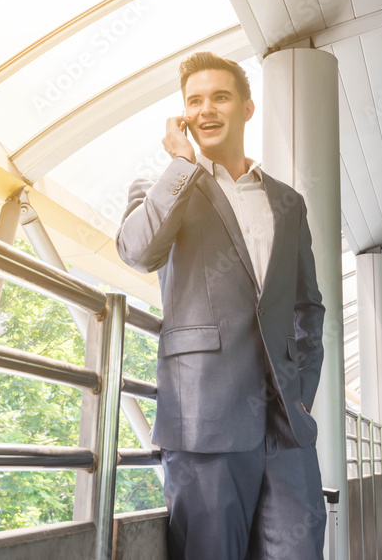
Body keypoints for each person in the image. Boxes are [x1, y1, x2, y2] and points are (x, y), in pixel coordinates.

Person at [116, 52, 326, 560]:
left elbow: (306, 306)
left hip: (284, 424)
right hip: (204, 417)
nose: (206, 109)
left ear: (248, 108)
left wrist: (300, 392)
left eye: (220, 97)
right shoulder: (166, 186)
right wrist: (181, 164)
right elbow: (137, 250)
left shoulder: (287, 202)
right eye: (195, 100)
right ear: (183, 115)